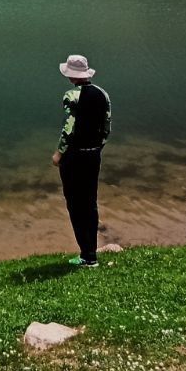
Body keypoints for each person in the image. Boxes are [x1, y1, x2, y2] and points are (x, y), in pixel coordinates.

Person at [51, 53, 111, 267]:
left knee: (75, 203)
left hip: (74, 156)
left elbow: (69, 128)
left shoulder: (71, 95)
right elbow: (106, 127)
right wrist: (97, 148)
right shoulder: (102, 94)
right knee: (90, 202)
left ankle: (86, 255)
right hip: (94, 154)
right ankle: (91, 253)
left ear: (71, 76)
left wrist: (59, 153)